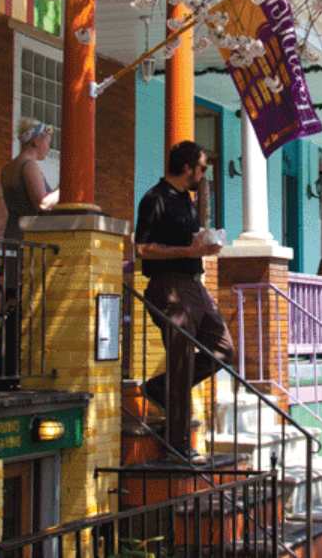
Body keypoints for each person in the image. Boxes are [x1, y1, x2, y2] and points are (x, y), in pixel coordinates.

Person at [134, 140, 236, 466]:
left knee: (223, 351)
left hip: (194, 286)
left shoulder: (188, 202)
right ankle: (178, 445)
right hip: (168, 287)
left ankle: (159, 388)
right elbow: (143, 249)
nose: (204, 174)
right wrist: (189, 252)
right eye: (203, 168)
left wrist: (204, 247)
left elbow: (186, 243)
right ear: (187, 168)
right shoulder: (155, 199)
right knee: (181, 363)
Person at [0, 118, 60, 241]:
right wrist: (64, 188)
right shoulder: (29, 165)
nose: (48, 149)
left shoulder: (8, 168)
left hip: (12, 233)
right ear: (37, 141)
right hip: (29, 238)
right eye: (47, 144)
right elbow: (42, 203)